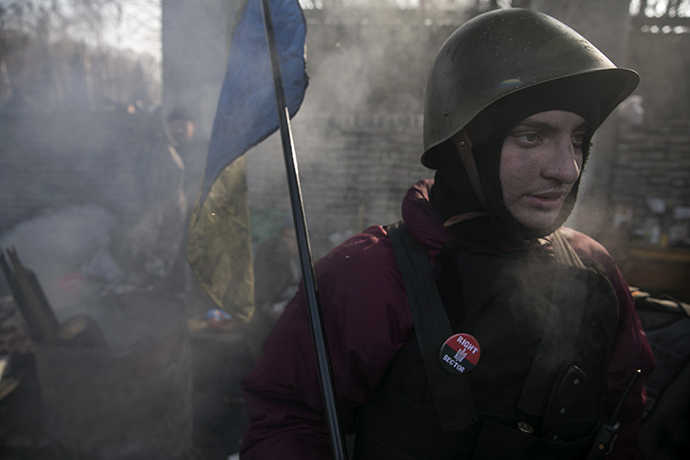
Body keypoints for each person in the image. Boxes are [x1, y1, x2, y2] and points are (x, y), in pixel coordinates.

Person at [239, 9, 655, 460]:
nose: (565, 169)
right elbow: (290, 422)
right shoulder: (368, 275)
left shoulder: (593, 268)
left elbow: (625, 422)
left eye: (577, 139)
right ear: (464, 143)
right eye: (532, 136)